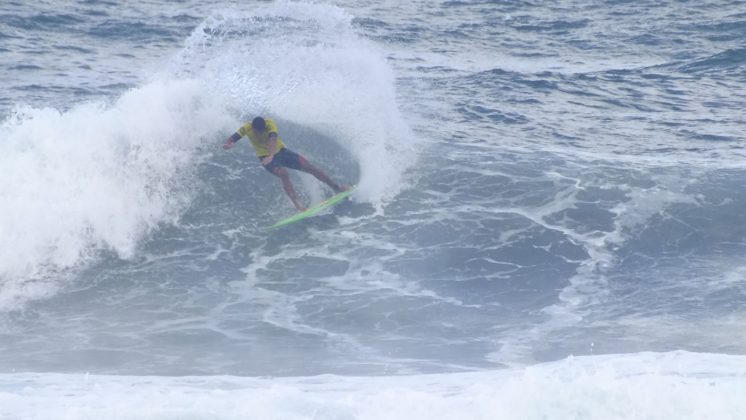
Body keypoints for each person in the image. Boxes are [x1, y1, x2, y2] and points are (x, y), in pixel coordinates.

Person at [223, 116, 348, 211]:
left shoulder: (270, 124)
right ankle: (298, 206)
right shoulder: (247, 128)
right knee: (284, 173)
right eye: (257, 132)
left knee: (309, 167)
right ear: (253, 128)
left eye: (262, 131)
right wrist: (229, 144)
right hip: (264, 157)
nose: (260, 133)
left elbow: (272, 140)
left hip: (281, 152)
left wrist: (272, 155)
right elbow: (233, 137)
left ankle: (336, 187)